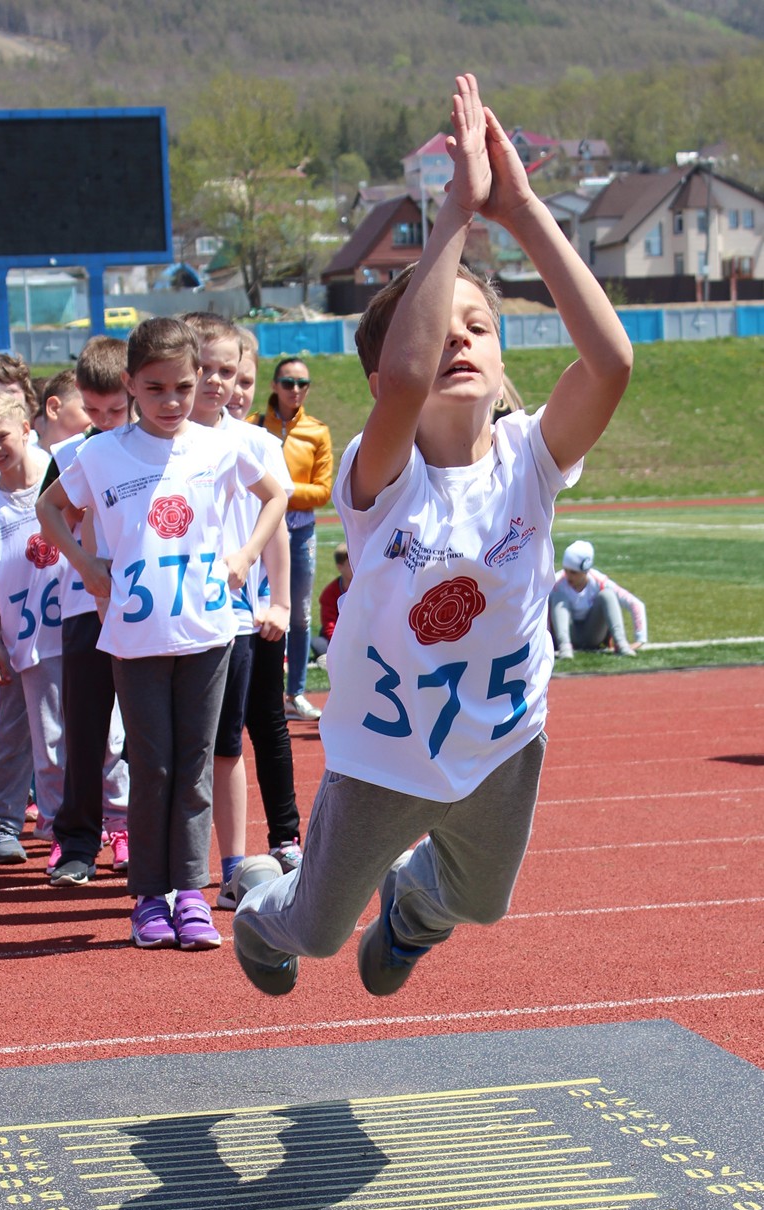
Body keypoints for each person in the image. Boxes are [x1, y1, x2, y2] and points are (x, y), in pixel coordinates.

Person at [231, 71, 633, 998]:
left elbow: (609, 363)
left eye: (479, 327)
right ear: (380, 383)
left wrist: (522, 208)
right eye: (437, 330)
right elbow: (408, 381)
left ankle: (412, 910)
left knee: (481, 903)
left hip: (501, 741)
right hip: (384, 755)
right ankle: (262, 899)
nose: (459, 342)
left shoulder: (532, 457)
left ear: (502, 364)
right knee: (317, 932)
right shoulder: (384, 483)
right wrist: (455, 208)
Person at [36, 317, 287, 950]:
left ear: (200, 380)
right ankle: (149, 898)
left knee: (197, 764)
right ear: (130, 385)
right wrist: (86, 563)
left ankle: (192, 896)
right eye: (155, 389)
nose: (171, 402)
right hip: (136, 641)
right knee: (152, 766)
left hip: (207, 636)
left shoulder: (217, 446)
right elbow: (50, 508)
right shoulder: (101, 453)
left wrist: (245, 556)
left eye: (182, 387)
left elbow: (276, 496)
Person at [38, 340, 132, 887]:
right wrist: (84, 562)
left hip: (150, 609)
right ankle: (76, 842)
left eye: (113, 411)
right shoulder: (73, 453)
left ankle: (139, 833)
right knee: (87, 727)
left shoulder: (159, 447)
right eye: (91, 411)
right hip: (83, 605)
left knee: (148, 732)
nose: (100, 422)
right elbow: (51, 514)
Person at [0, 385, 66, 867]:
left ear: (27, 428)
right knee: (14, 735)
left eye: (1, 436)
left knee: (76, 734)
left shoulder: (62, 473)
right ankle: (3, 824)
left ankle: (82, 825)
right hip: (20, 637)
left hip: (71, 628)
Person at [228, 330, 304, 877]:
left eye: (244, 380)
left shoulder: (257, 444)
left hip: (252, 615)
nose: (232, 389)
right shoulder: (172, 441)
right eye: (221, 375)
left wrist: (278, 603)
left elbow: (277, 529)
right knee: (205, 739)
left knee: (267, 723)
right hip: (196, 617)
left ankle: (285, 835)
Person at [252, 355, 332, 720]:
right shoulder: (253, 427)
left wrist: (279, 491)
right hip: (257, 529)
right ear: (274, 386)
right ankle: (256, 692)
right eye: (287, 382)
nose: (295, 390)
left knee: (298, 615)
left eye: (302, 383)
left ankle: (295, 693)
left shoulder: (317, 431)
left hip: (299, 531)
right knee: (254, 611)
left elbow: (322, 491)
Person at [550, 539, 646, 658]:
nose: (568, 576)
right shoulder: (556, 582)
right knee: (558, 596)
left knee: (607, 595)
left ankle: (621, 644)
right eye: (566, 570)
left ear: (585, 570)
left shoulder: (599, 581)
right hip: (566, 635)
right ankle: (565, 648)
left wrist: (640, 639)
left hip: (593, 635)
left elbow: (635, 603)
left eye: (574, 572)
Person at [310, 542, 353, 660]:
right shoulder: (330, 592)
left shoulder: (365, 587)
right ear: (340, 567)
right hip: (335, 638)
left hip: (359, 635)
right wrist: (342, 644)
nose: (356, 566)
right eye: (351, 564)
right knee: (318, 644)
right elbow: (329, 624)